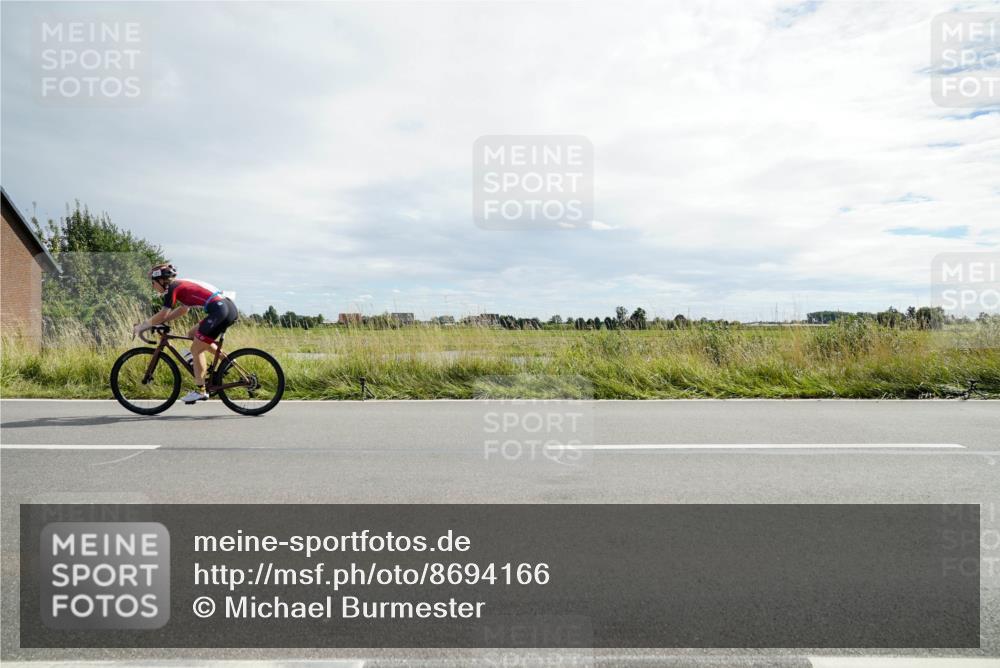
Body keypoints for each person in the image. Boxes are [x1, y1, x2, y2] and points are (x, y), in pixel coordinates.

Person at [133, 263, 238, 404]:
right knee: (192, 334)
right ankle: (226, 361)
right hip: (226, 308)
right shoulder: (180, 285)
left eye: (153, 283)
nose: (153, 286)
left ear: (161, 280)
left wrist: (142, 326)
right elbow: (183, 310)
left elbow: (163, 313)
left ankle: (201, 391)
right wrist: (161, 321)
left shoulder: (172, 288)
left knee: (196, 349)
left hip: (220, 311)